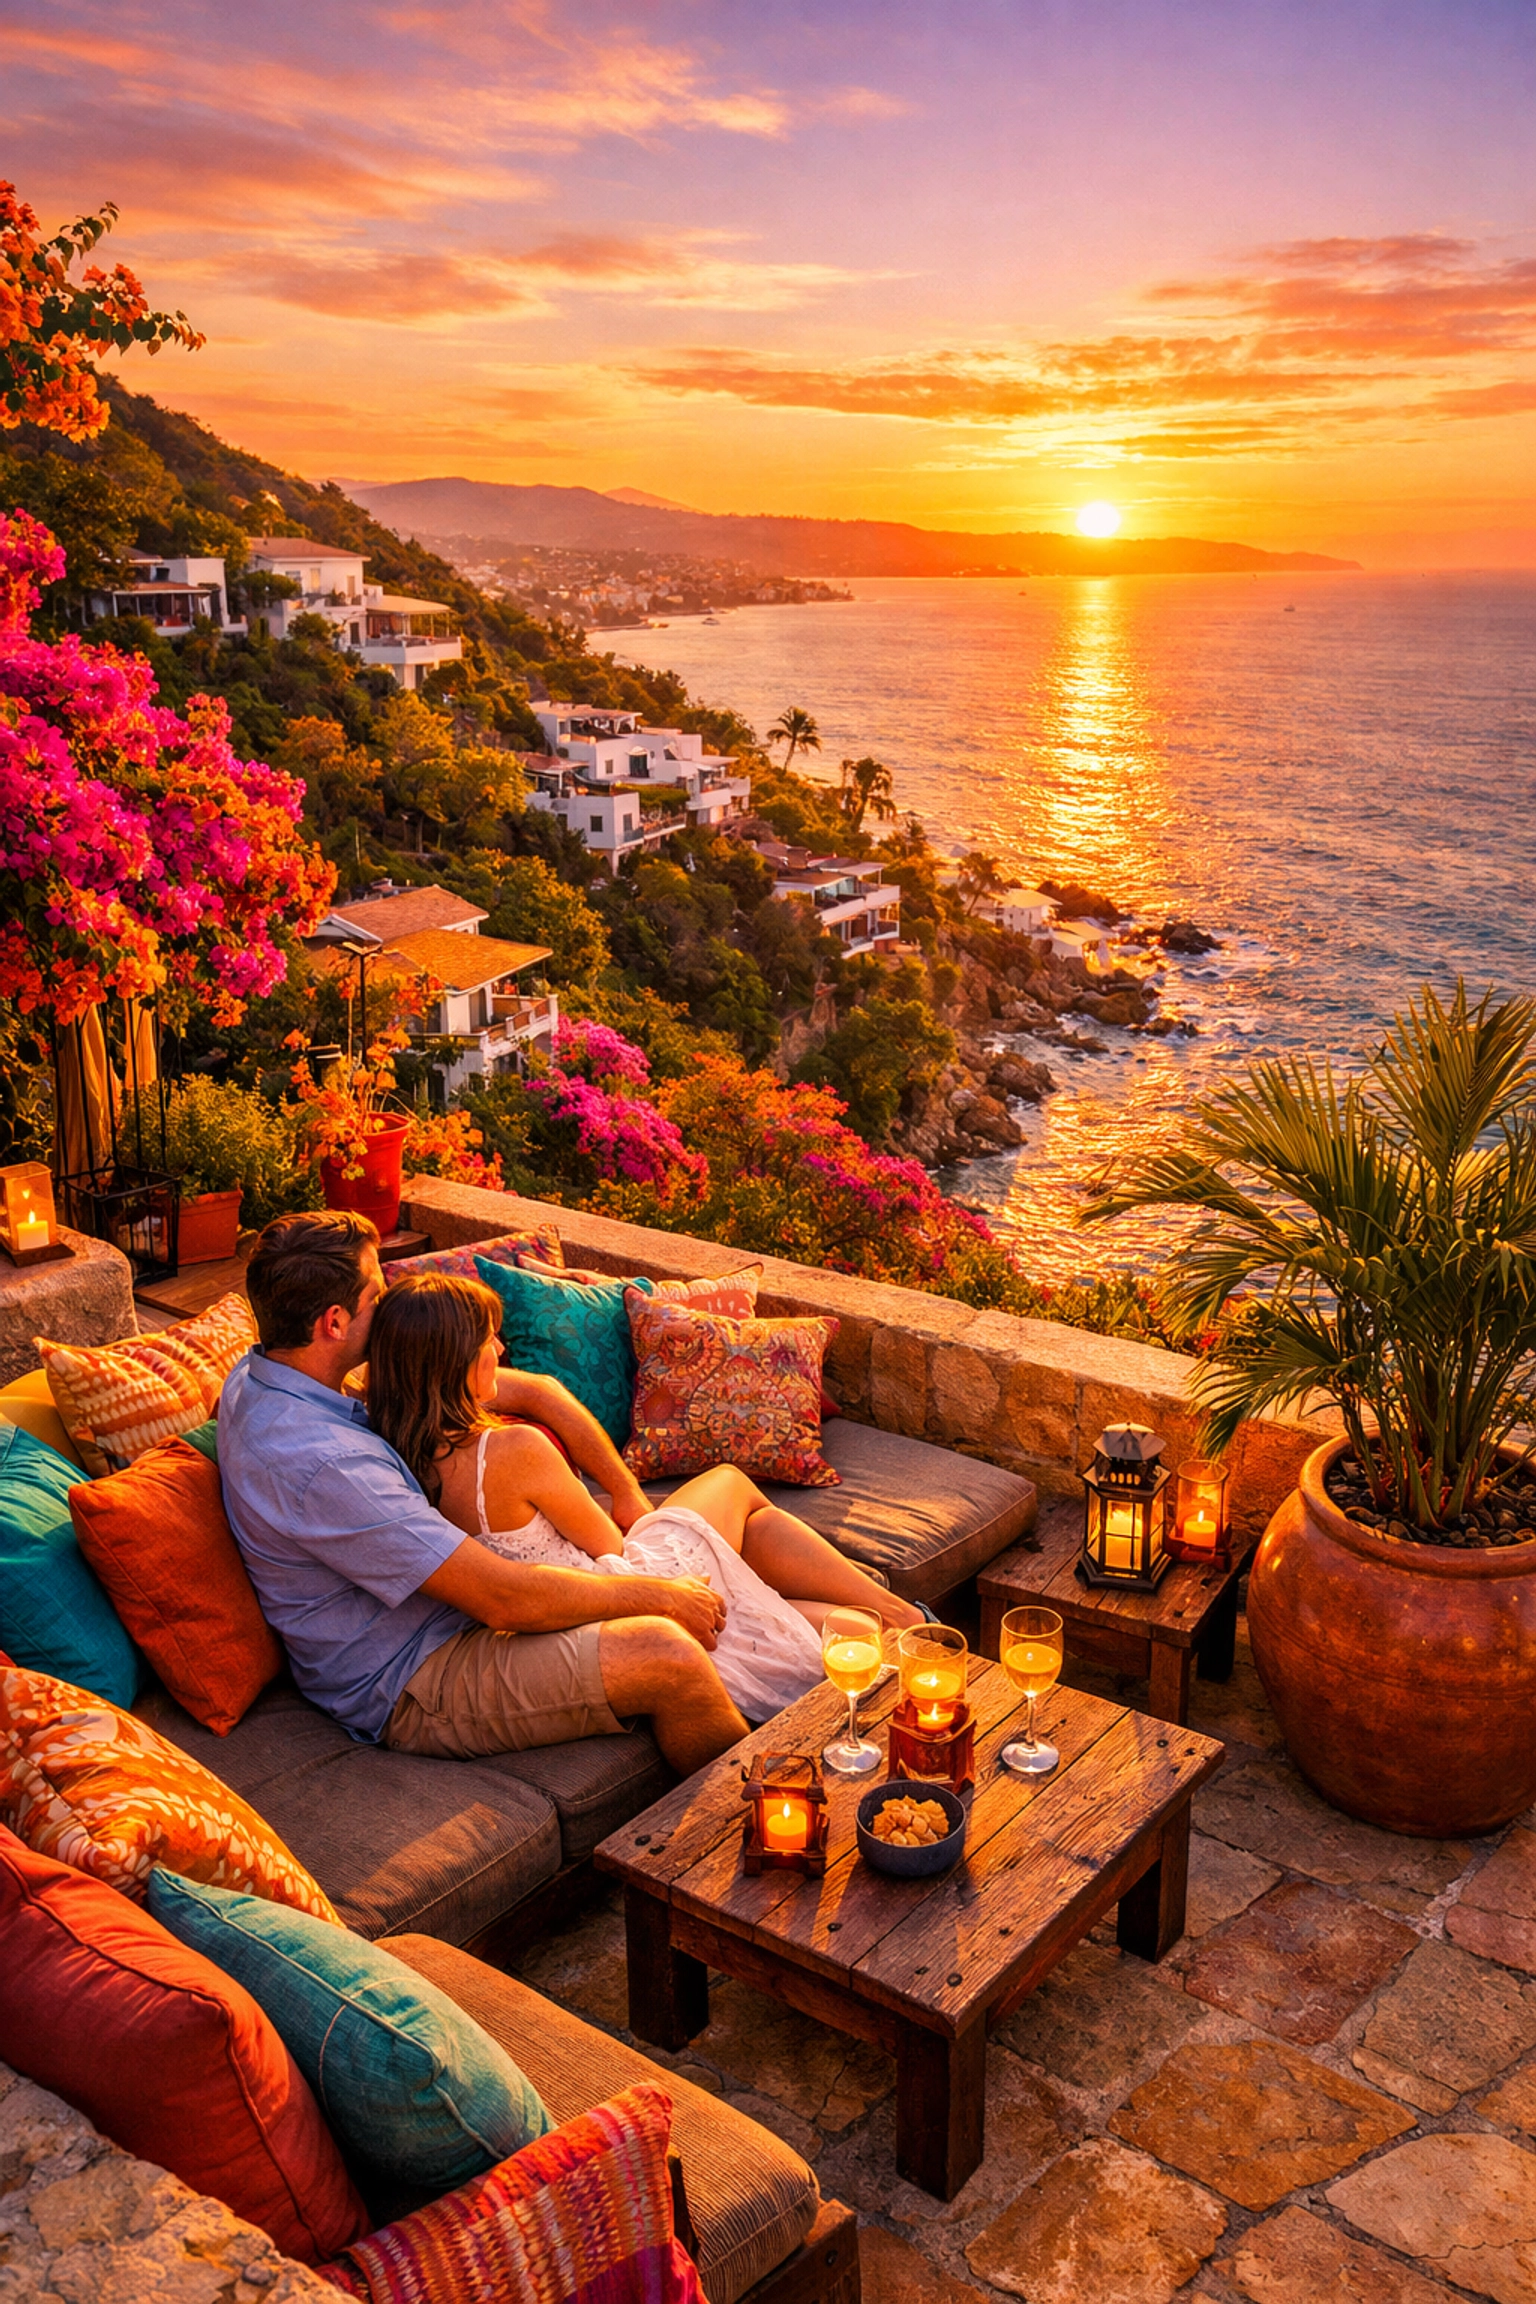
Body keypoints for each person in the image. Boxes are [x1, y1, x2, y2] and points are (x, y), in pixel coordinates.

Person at [220, 1210, 749, 1775]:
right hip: (416, 1677)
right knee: (667, 1655)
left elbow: (536, 1391)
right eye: (376, 1293)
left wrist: (624, 1489)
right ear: (334, 1322)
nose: (388, 1301)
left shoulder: (268, 1376)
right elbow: (503, 1599)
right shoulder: (325, 1463)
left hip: (441, 1624)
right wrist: (661, 1597)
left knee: (732, 1522)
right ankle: (755, 1814)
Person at [365, 1273, 923, 1724]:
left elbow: (540, 1402)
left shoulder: (397, 1445)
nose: (501, 1348)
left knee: (829, 1608)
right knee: (730, 1482)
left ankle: (899, 1620)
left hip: (574, 1609)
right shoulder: (512, 1450)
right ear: (453, 1361)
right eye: (487, 1341)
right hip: (615, 1586)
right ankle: (909, 1618)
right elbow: (608, 1542)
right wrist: (626, 1501)